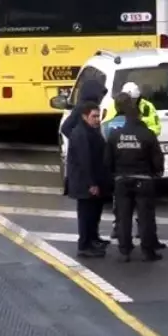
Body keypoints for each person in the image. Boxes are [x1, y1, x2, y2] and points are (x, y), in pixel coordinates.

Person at [105, 94, 164, 262]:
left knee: (123, 217)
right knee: (146, 218)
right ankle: (148, 250)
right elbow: (157, 159)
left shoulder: (115, 135)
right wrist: (156, 173)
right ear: (139, 116)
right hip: (143, 179)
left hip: (121, 180)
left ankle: (125, 250)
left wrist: (113, 176)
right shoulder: (147, 134)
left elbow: (107, 160)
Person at [65, 101, 111, 258]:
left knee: (94, 213)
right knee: (86, 215)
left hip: (95, 180)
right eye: (94, 116)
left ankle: (93, 239)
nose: (97, 119)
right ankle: (84, 245)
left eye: (98, 116)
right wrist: (91, 184)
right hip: (84, 183)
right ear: (85, 116)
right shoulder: (81, 134)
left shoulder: (92, 130)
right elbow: (84, 161)